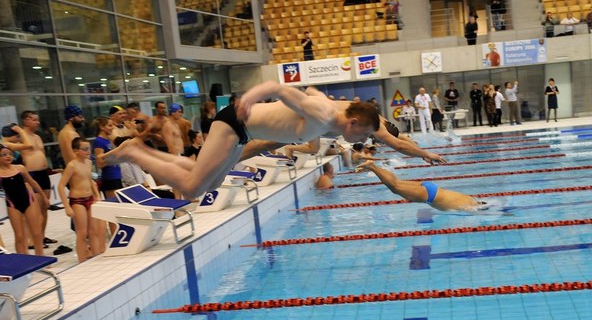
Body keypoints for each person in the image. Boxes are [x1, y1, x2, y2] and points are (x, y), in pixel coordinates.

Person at [104, 81, 445, 198]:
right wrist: (251, 97)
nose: (362, 141)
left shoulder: (336, 118)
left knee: (208, 183)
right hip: (234, 124)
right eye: (363, 134)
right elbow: (279, 87)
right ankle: (135, 150)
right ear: (354, 121)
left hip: (244, 134)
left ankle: (140, 152)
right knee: (193, 187)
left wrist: (423, 155)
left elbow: (311, 91)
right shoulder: (324, 114)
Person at [355, 160, 483, 211]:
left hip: (432, 189)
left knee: (397, 184)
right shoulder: (471, 208)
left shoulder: (470, 200)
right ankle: (372, 167)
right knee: (395, 187)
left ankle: (373, 166)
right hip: (431, 196)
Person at [57, 138, 105, 263]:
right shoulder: (72, 165)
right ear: (75, 151)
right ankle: (82, 260)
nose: (88, 151)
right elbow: (61, 186)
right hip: (77, 201)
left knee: (93, 231)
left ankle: (96, 257)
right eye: (84, 149)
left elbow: (90, 181)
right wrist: (67, 206)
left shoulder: (88, 163)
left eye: (89, 148)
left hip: (90, 199)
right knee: (82, 233)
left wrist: (97, 196)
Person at [18, 111, 57, 245]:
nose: (38, 122)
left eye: (38, 120)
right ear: (26, 121)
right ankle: (32, 240)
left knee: (44, 207)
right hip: (32, 174)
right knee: (34, 210)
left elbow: (42, 154)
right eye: (34, 120)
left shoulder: (37, 137)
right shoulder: (21, 137)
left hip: (43, 173)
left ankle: (41, 236)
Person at [0, 144, 47, 255]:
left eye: (10, 154)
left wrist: (43, 196)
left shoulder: (20, 168)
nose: (8, 156)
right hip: (12, 205)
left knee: (36, 233)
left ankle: (41, 258)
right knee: (20, 236)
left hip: (29, 202)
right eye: (4, 155)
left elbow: (33, 182)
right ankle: (24, 261)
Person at [93, 116, 123, 199]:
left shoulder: (108, 140)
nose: (113, 128)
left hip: (116, 175)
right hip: (110, 178)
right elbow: (99, 163)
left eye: (113, 125)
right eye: (110, 125)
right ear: (102, 127)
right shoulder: (99, 141)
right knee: (114, 207)